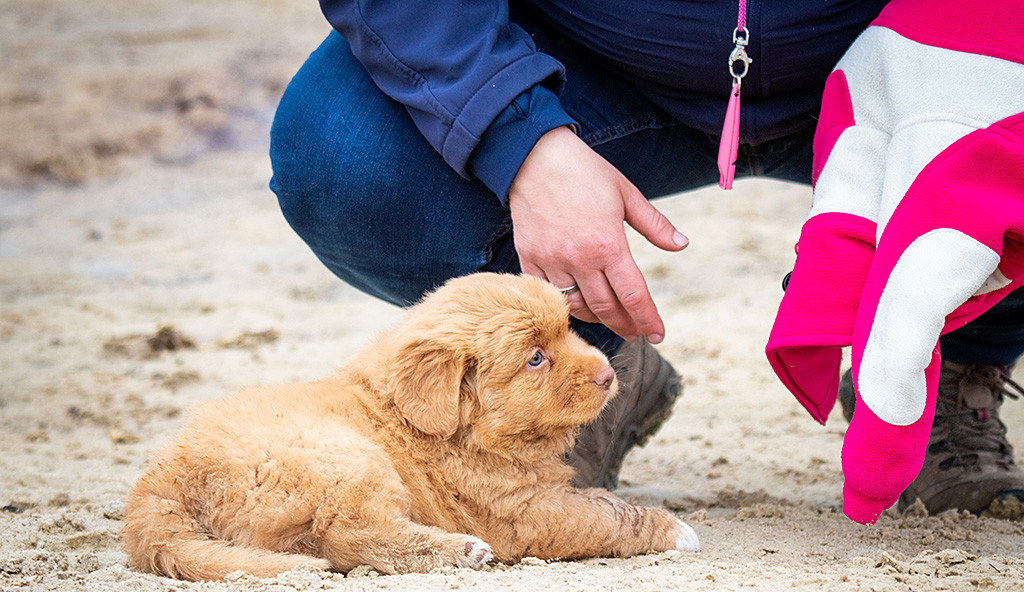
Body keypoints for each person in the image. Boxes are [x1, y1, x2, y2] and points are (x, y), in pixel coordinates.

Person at [268, 0, 1024, 515]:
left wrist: (972, 53)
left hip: (895, 52)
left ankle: (962, 361)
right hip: (586, 60)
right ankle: (580, 363)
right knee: (343, 155)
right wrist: (516, 134)